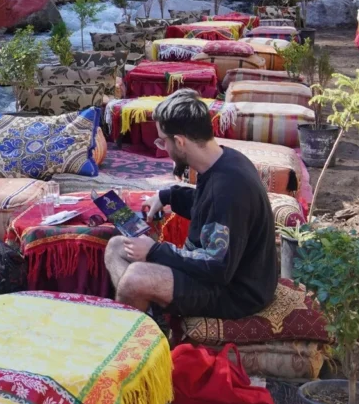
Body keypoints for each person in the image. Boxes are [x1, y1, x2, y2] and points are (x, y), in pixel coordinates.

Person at [104, 89, 277, 319]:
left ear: (179, 141)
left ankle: (137, 344)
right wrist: (167, 196)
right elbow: (204, 204)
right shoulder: (223, 160)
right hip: (216, 271)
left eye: (162, 141)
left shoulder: (228, 189)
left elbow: (217, 267)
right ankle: (149, 318)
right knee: (116, 247)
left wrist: (155, 251)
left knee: (134, 279)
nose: (162, 147)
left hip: (235, 292)